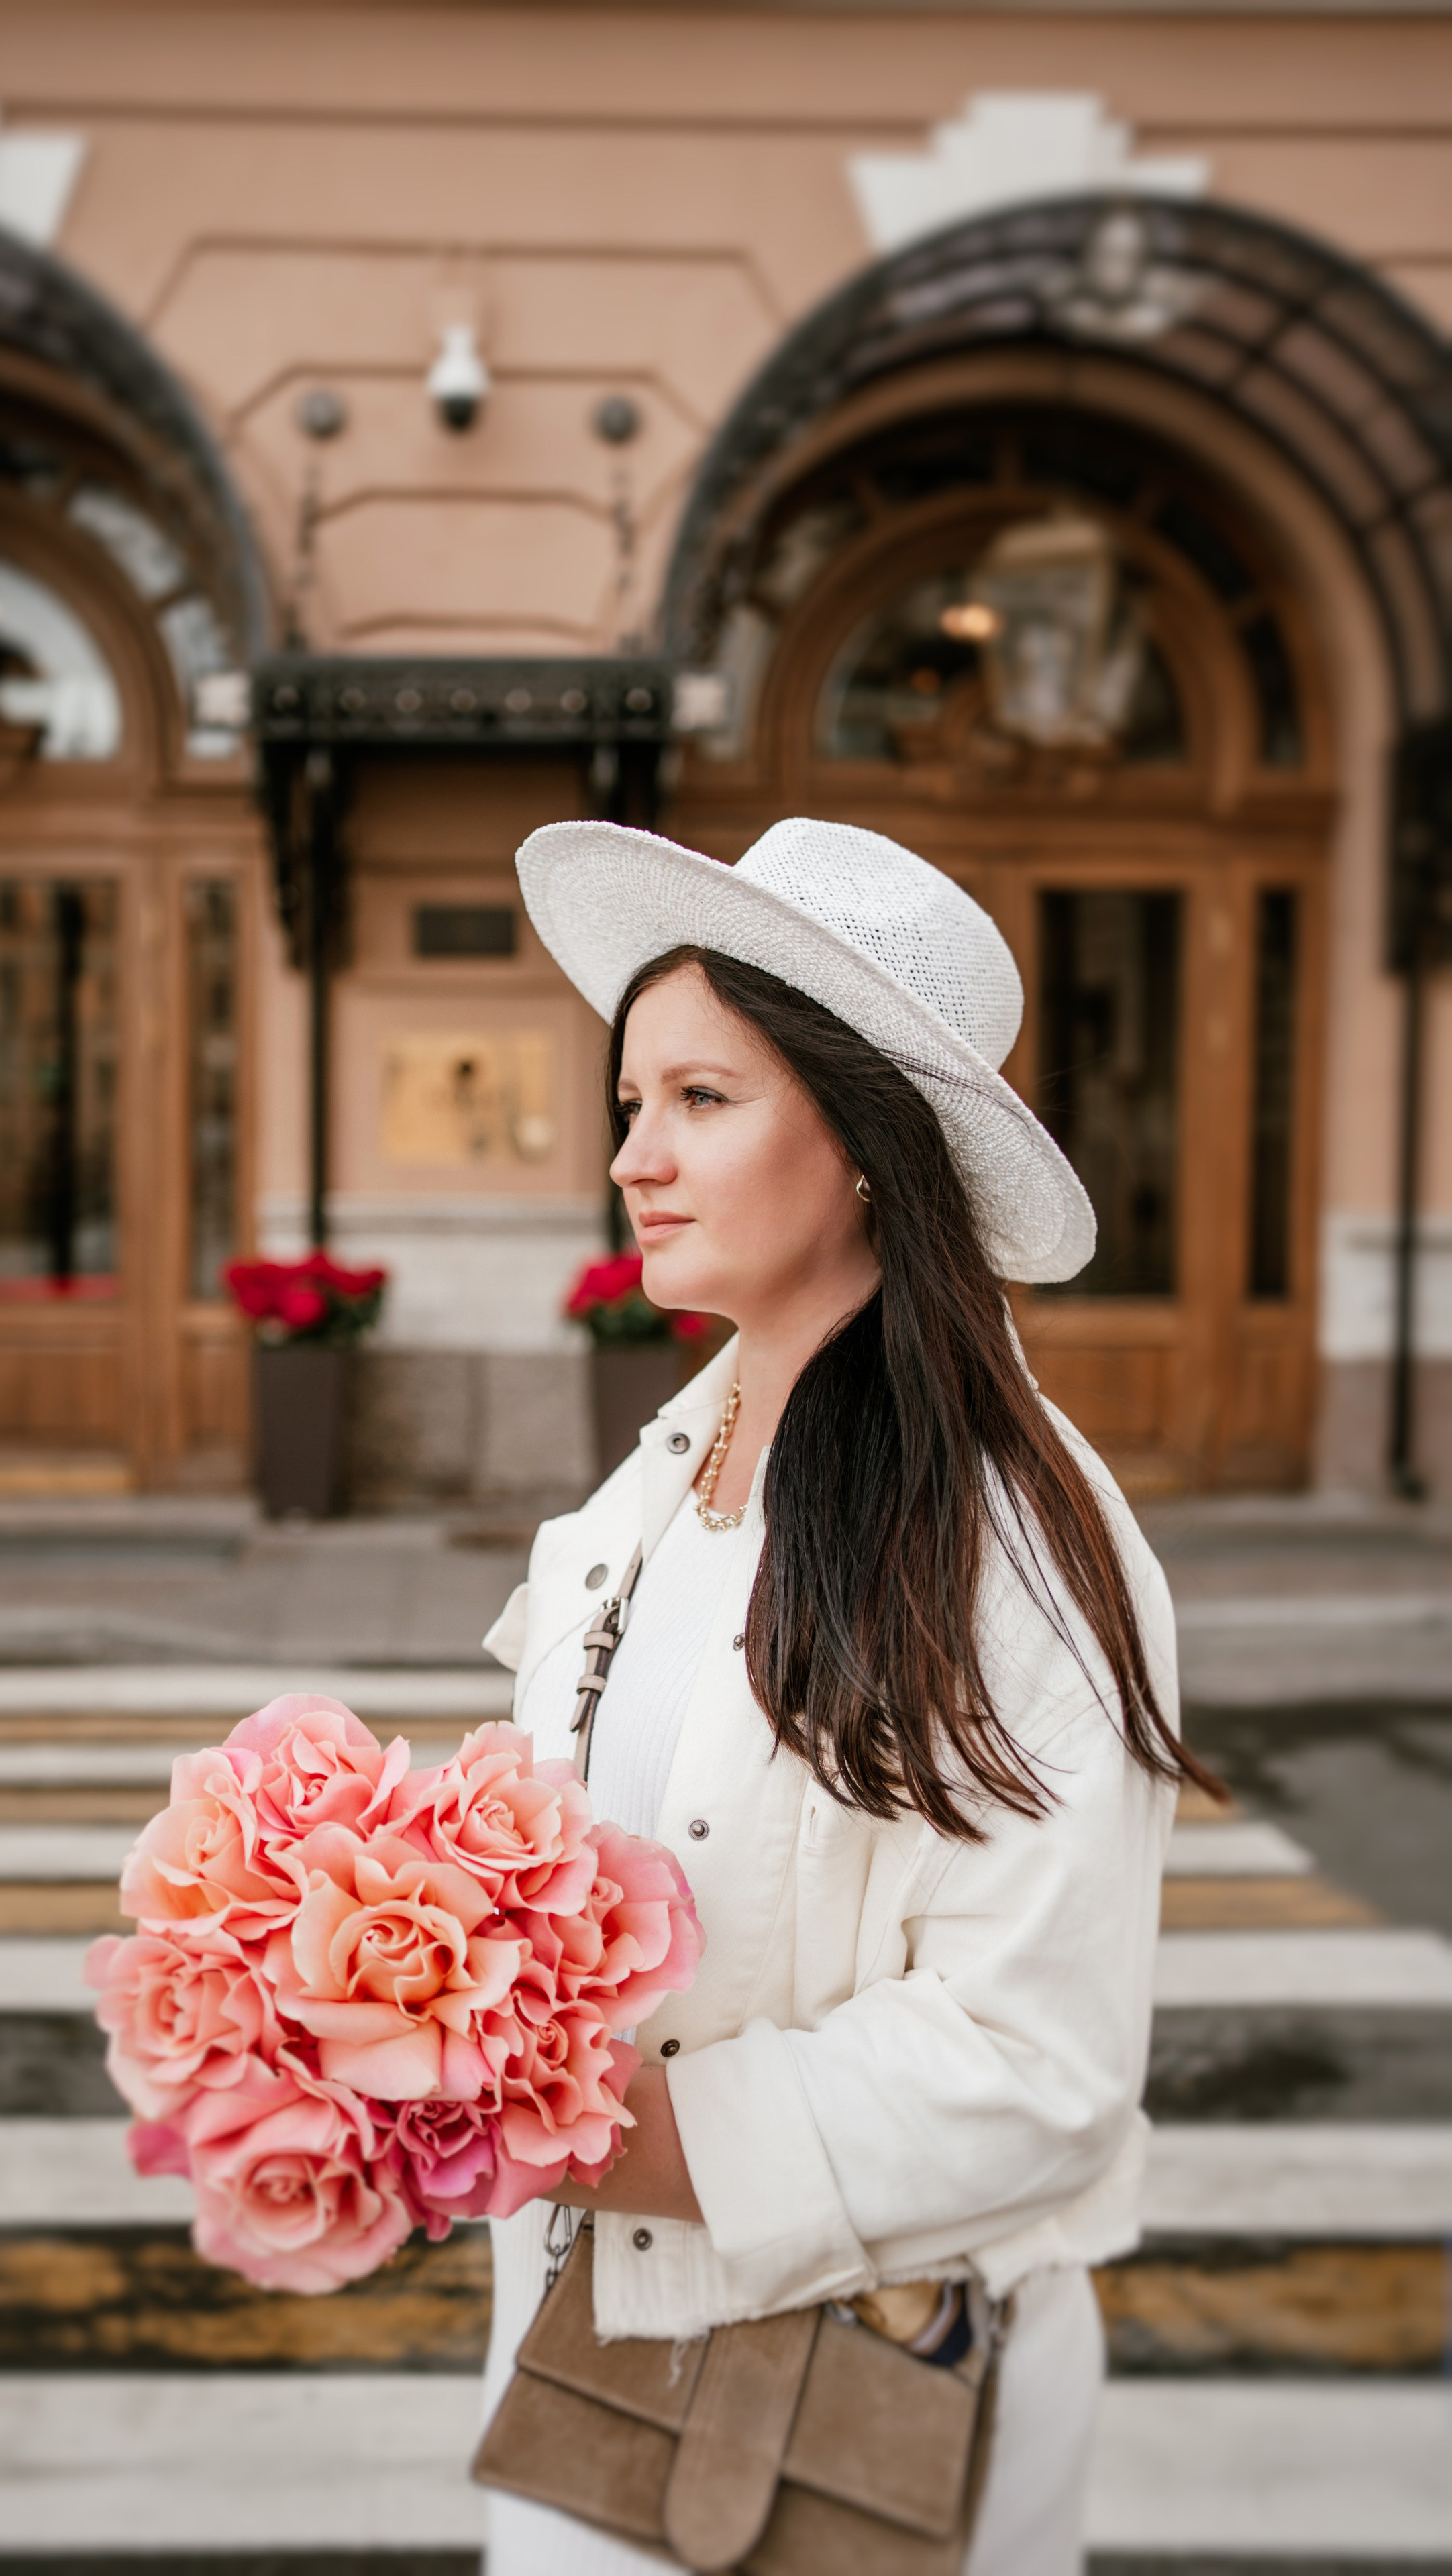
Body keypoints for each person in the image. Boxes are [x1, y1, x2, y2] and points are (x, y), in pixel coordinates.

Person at [478, 816, 1208, 2576]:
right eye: (630, 1103)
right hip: (593, 2353)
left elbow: (1038, 2067)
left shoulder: (1012, 1539)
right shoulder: (646, 1484)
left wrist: (590, 2127)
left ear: (870, 1144)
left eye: (702, 1102)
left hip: (860, 2400)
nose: (636, 1159)